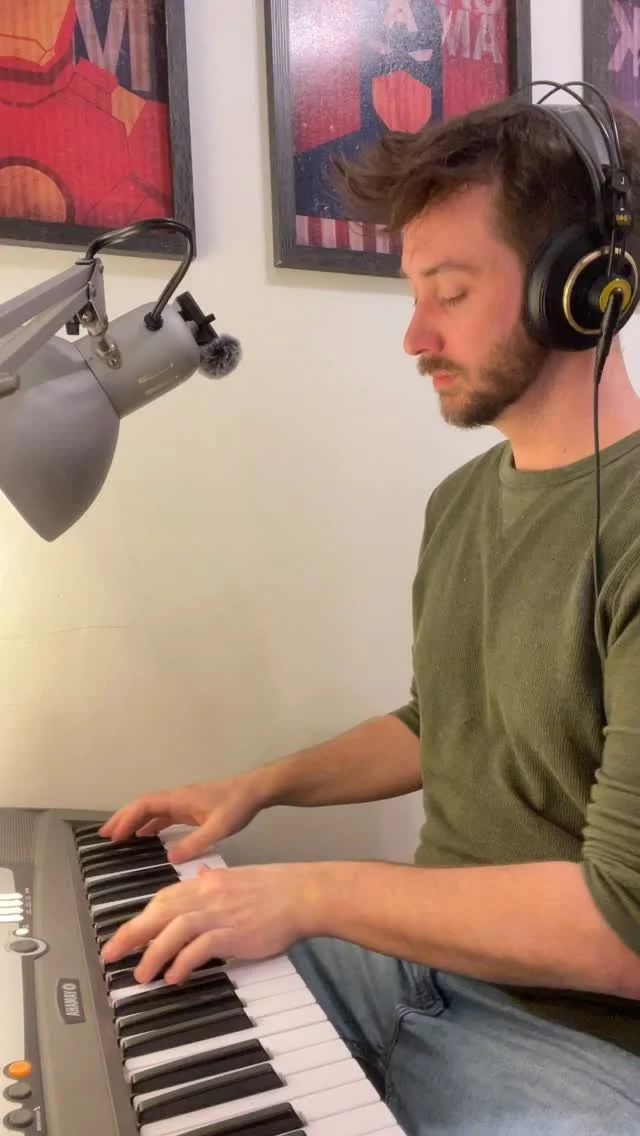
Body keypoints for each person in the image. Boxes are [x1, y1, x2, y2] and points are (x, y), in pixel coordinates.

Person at [99, 91, 640, 1134]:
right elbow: (444, 725)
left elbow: (623, 927)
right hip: (411, 969)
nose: (413, 336)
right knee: (126, 997)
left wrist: (309, 893)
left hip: (580, 1045)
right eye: (413, 292)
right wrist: (257, 787)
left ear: (584, 288)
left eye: (451, 292)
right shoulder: (463, 502)